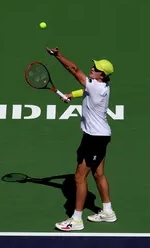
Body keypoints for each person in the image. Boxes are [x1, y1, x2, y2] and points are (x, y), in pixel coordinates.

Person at [45, 47, 117, 231]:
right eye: (93, 66)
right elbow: (85, 89)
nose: (92, 69)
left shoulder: (93, 85)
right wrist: (72, 94)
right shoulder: (102, 85)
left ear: (102, 75)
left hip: (93, 138)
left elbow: (74, 70)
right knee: (98, 173)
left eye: (96, 69)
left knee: (79, 177)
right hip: (101, 136)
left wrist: (58, 55)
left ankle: (76, 220)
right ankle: (108, 212)